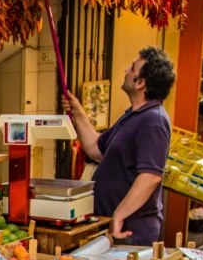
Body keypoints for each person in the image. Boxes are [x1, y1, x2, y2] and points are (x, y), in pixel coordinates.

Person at [64, 46, 176, 245]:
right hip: (108, 225)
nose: (126, 70)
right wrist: (78, 112)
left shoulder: (153, 121)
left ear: (141, 82)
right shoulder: (132, 117)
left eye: (132, 68)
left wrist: (119, 215)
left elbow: (150, 176)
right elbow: (94, 149)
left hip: (129, 231)